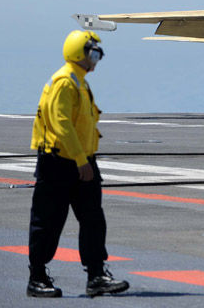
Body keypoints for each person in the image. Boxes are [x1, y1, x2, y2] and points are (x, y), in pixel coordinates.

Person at [27, 30, 129, 298]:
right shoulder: (64, 82)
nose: (96, 58)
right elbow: (61, 125)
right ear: (79, 54)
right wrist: (81, 161)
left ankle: (96, 275)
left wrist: (86, 161)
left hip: (82, 162)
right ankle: (36, 278)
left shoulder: (79, 82)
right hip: (59, 162)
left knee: (93, 220)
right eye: (92, 53)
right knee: (47, 222)